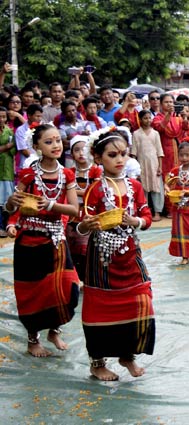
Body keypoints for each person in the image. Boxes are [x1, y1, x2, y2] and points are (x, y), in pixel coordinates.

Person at [77, 128, 154, 381]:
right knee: (100, 306)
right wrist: (87, 225)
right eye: (112, 155)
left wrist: (136, 221)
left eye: (123, 154)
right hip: (102, 258)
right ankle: (97, 363)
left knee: (140, 300)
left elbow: (147, 217)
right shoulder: (95, 190)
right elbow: (81, 223)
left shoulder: (135, 186)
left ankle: (127, 354)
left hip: (131, 253)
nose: (119, 159)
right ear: (98, 158)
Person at [4, 124, 80, 357]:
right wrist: (11, 203)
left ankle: (54, 329)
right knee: (32, 292)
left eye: (58, 140)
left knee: (69, 289)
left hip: (56, 240)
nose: (55, 145)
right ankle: (33, 338)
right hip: (29, 240)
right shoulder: (28, 175)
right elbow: (11, 207)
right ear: (36, 147)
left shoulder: (67, 174)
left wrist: (50, 205)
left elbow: (74, 210)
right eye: (48, 142)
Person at [66, 135, 102, 282]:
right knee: (72, 246)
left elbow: (95, 191)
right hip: (72, 214)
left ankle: (89, 277)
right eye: (76, 150)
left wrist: (73, 191)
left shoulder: (95, 171)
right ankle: (77, 277)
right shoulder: (69, 172)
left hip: (88, 213)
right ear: (72, 154)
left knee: (86, 248)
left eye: (83, 149)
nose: (81, 153)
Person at [165, 142, 189, 265]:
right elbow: (167, 183)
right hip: (178, 206)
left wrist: (188, 192)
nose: (184, 158)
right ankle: (185, 255)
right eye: (182, 155)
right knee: (180, 230)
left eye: (187, 155)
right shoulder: (175, 171)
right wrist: (167, 190)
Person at [153, 94, 189, 212]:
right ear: (161, 104)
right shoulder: (157, 117)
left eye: (171, 102)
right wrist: (168, 115)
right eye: (166, 102)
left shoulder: (178, 117)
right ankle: (168, 207)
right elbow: (159, 128)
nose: (169, 104)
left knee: (180, 175)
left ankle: (179, 203)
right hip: (165, 150)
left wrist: (185, 117)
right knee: (167, 177)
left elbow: (187, 128)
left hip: (178, 150)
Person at [131, 110, 164, 221]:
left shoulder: (155, 133)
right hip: (141, 165)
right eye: (145, 118)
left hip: (154, 164)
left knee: (156, 188)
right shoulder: (136, 134)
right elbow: (134, 153)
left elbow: (159, 151)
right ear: (140, 120)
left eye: (150, 118)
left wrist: (160, 167)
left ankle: (157, 212)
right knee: (143, 189)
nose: (148, 120)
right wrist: (135, 170)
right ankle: (145, 213)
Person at [0, 107, 15, 237]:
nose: (1, 120)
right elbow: (9, 147)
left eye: (4, 117)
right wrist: (6, 147)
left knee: (6, 200)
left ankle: (5, 225)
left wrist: (9, 148)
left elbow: (14, 150)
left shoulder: (9, 131)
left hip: (7, 168)